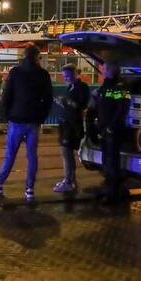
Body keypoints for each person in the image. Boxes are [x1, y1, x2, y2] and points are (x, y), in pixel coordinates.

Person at [0, 45, 52, 199]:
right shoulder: (43, 74)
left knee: (10, 155)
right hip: (33, 121)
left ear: (23, 56)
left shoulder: (16, 72)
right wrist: (41, 118)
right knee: (32, 156)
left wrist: (6, 117)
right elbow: (48, 99)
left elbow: (6, 96)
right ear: (37, 57)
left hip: (17, 119)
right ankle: (29, 188)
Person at [88, 61, 131, 204]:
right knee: (106, 161)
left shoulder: (120, 87)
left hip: (113, 131)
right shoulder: (105, 87)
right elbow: (99, 105)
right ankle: (108, 190)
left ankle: (113, 194)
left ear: (112, 70)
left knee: (112, 162)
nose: (103, 70)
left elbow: (122, 108)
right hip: (104, 129)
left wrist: (111, 127)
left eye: (105, 68)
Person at [54, 64, 91, 193]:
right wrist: (62, 102)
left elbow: (81, 105)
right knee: (66, 153)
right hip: (65, 124)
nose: (66, 79)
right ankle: (70, 180)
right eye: (64, 76)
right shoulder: (70, 86)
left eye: (68, 76)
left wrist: (66, 101)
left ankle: (68, 181)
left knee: (67, 153)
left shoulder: (82, 87)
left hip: (73, 125)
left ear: (75, 74)